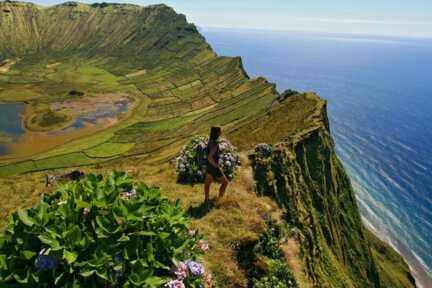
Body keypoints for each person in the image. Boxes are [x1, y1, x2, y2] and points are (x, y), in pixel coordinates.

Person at [204, 126, 229, 203]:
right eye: (220, 131)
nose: (221, 132)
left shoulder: (210, 141)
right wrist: (216, 166)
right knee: (225, 182)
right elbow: (210, 157)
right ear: (217, 132)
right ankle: (220, 200)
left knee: (207, 182)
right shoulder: (214, 143)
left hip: (208, 166)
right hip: (213, 166)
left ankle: (207, 199)